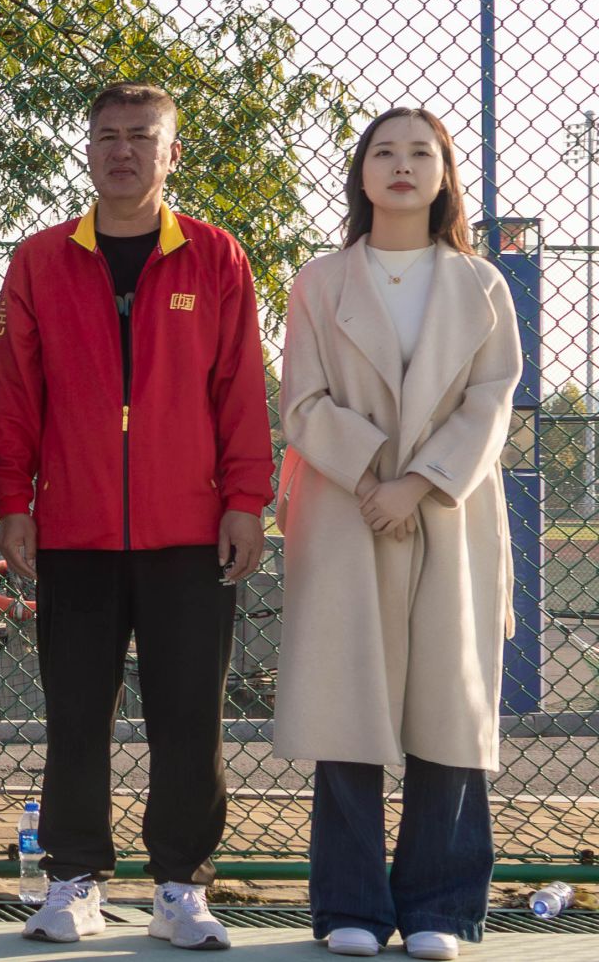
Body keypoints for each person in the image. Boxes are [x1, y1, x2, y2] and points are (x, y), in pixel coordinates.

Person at [0, 82, 273, 950]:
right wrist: (12, 501)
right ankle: (73, 879)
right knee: (77, 713)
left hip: (189, 530)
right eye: (107, 135)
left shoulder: (216, 257)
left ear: (171, 153)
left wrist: (246, 500)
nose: (122, 150)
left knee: (189, 714)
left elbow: (241, 390)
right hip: (74, 528)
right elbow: (14, 391)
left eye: (141, 136)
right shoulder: (40, 260)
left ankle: (181, 885)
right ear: (88, 150)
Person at [275, 109, 517, 962]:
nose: (402, 165)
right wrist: (374, 476)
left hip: (450, 510)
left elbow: (493, 400)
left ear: (444, 173)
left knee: (448, 708)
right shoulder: (318, 282)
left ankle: (439, 907)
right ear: (362, 173)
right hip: (348, 511)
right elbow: (302, 401)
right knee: (347, 701)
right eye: (384, 151)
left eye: (421, 152)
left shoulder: (482, 284)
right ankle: (350, 903)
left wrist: (418, 482)